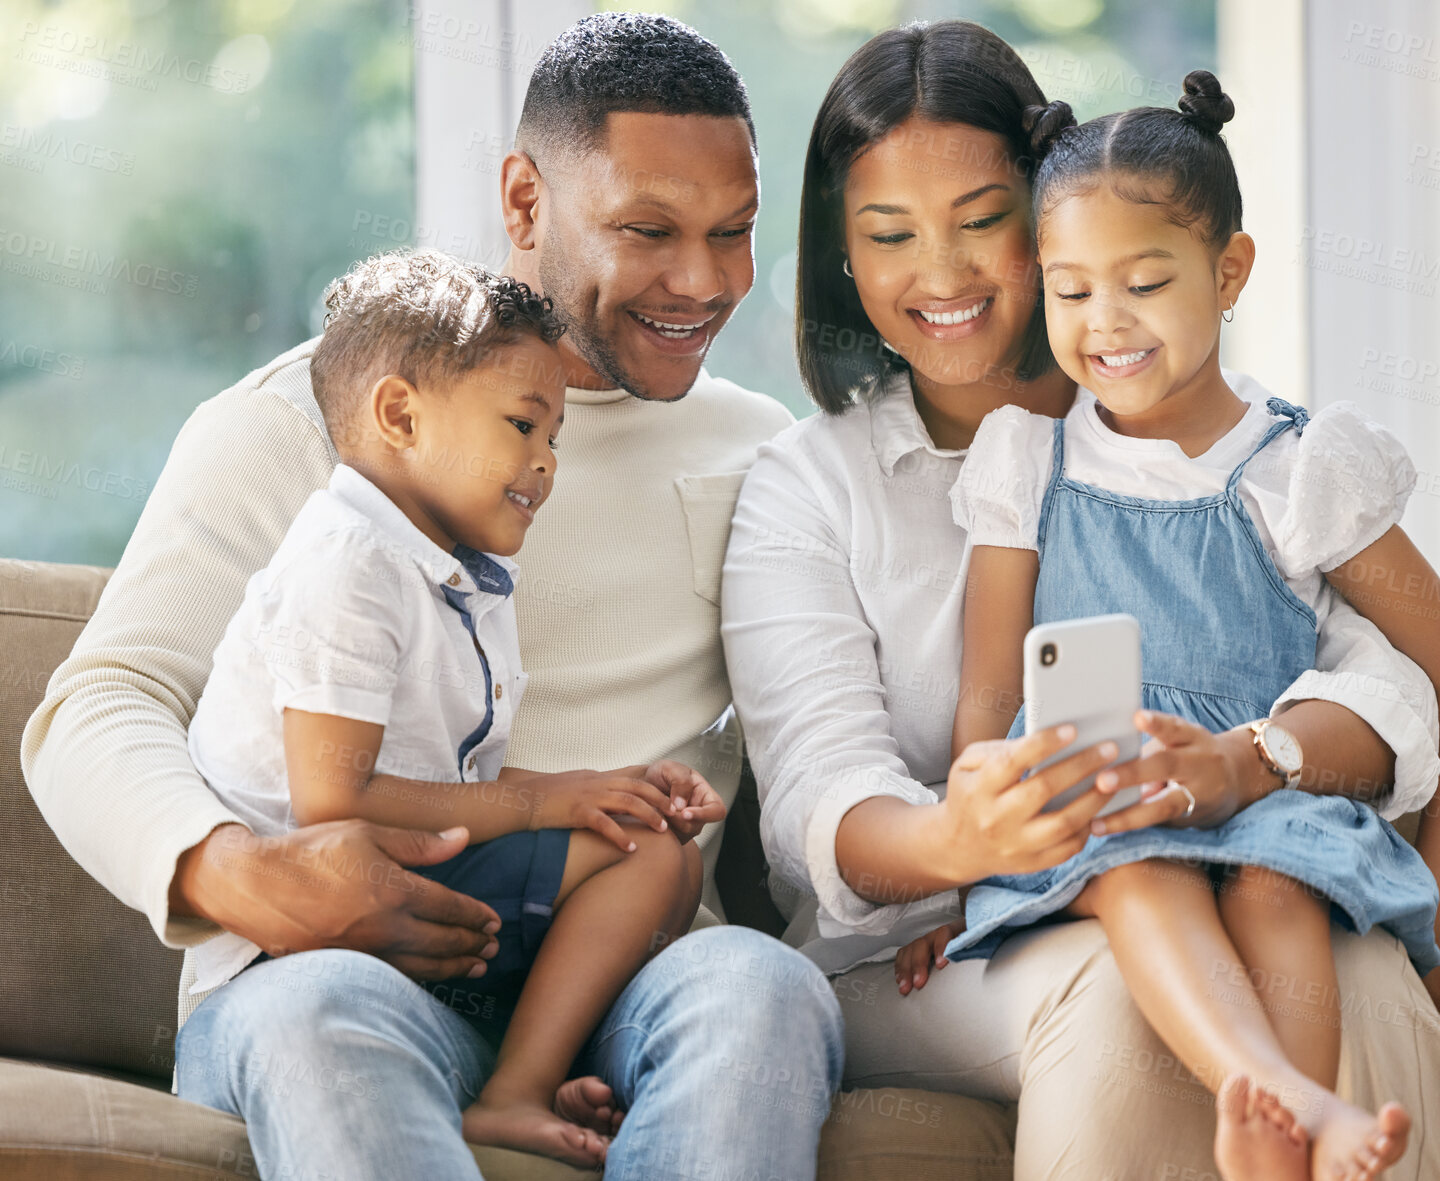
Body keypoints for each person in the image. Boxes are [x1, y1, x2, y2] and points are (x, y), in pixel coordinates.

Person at [21, 15, 842, 1181]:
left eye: (734, 233)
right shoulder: (316, 421)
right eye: (647, 230)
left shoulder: (767, 458)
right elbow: (101, 700)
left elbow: (848, 721)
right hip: (335, 967)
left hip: (622, 969)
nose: (704, 281)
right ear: (523, 201)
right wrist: (231, 868)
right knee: (318, 1023)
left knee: (762, 988)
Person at [722, 20, 1440, 1181]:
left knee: (1343, 950)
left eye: (984, 221)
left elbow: (1386, 672)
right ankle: (1270, 1098)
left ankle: (1302, 1133)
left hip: (1235, 835)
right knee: (1125, 979)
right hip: (932, 949)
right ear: (842, 251)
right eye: (888, 235)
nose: (940, 273)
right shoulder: (817, 484)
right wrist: (958, 846)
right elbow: (822, 793)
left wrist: (1263, 757)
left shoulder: (1252, 453)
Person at [185, 249, 728, 1166]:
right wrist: (538, 804)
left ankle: (517, 1079)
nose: (545, 463)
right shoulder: (349, 562)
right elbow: (334, 804)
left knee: (655, 851)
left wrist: (589, 786)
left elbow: (444, 780)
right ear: (400, 414)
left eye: (554, 437)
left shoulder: (454, 577)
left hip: (412, 881)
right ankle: (516, 1088)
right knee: (649, 855)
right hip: (313, 927)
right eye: (523, 425)